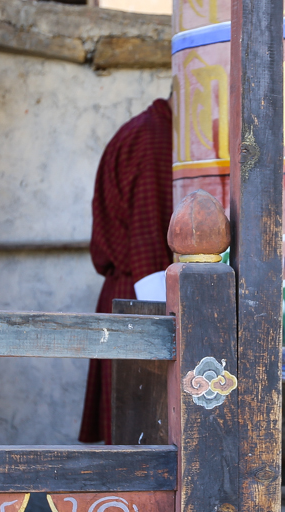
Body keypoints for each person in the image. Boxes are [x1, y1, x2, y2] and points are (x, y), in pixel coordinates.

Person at [78, 96, 174, 445]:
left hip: (136, 298)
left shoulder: (153, 131)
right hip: (141, 304)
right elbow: (147, 245)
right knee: (140, 443)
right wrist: (167, 327)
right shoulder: (152, 138)